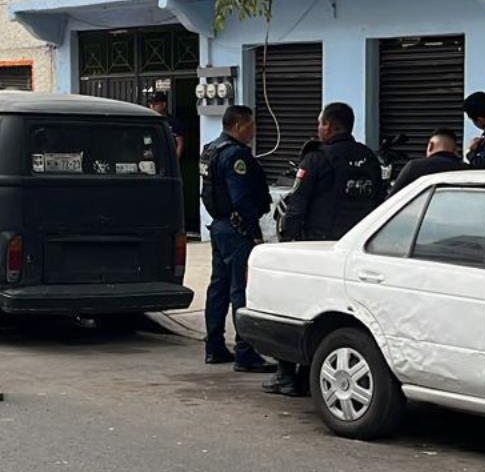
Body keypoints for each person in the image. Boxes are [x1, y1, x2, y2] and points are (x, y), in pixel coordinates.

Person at [265, 102, 385, 396]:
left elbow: (297, 204)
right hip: (358, 249)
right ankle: (311, 373)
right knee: (336, 313)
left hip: (317, 247)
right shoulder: (369, 159)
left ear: (328, 126)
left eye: (320, 124)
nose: (318, 129)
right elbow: (381, 203)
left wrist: (288, 242)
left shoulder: (316, 159)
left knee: (294, 307)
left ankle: (286, 375)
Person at [199, 105, 275, 373]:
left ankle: (214, 346)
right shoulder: (235, 156)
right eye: (251, 126)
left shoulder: (211, 149)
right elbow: (241, 197)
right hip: (237, 230)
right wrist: (254, 231)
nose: (253, 131)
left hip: (220, 227)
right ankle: (245, 352)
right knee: (240, 290)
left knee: (218, 287)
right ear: (239, 125)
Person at [388, 128, 469, 196]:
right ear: (455, 150)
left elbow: (390, 201)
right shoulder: (467, 170)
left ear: (430, 146)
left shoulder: (414, 167)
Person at [147, 91, 185, 160]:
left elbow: (180, 142)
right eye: (150, 104)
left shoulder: (173, 122)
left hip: (168, 157)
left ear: (164, 104)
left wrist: (175, 160)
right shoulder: (148, 121)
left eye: (155, 104)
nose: (152, 106)